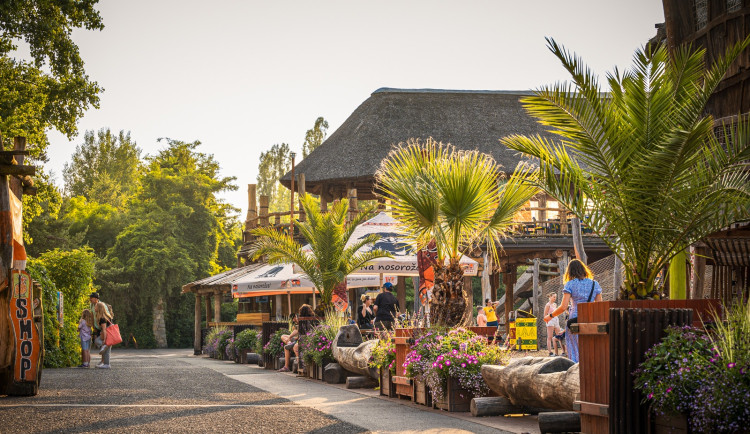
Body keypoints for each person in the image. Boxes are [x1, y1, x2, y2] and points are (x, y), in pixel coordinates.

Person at [543, 259, 602, 363]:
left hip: (575, 319)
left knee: (575, 347)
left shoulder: (570, 284)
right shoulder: (595, 284)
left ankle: (576, 369)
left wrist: (550, 316)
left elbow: (563, 306)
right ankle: (588, 368)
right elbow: (599, 305)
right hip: (591, 318)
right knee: (589, 345)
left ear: (570, 272)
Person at [94, 302, 114, 369]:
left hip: (108, 334)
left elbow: (104, 330)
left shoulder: (102, 318)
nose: (94, 308)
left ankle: (107, 364)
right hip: (110, 334)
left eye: (96, 307)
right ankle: (106, 364)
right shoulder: (106, 316)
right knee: (106, 349)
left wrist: (104, 340)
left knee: (98, 341)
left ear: (99, 308)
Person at [544, 292, 560, 356]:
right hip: (550, 321)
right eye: (553, 297)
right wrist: (547, 321)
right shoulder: (547, 305)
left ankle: (563, 351)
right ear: (550, 297)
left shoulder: (555, 304)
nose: (554, 298)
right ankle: (550, 352)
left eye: (555, 297)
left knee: (559, 335)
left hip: (556, 320)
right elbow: (545, 315)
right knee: (550, 337)